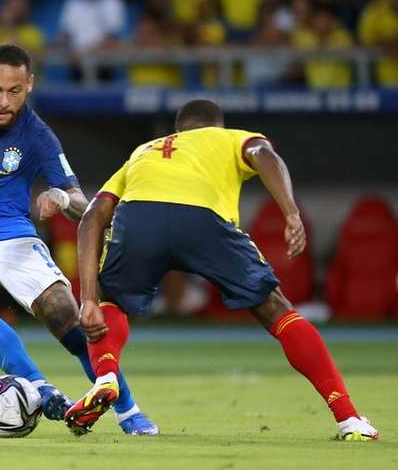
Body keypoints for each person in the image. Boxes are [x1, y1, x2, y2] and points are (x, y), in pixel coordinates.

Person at [65, 99, 378, 442]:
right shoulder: (229, 138)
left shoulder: (145, 150)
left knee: (111, 301)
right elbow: (264, 155)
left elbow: (93, 214)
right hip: (203, 220)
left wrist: (89, 299)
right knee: (276, 309)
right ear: (218, 126)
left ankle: (106, 376)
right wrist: (290, 211)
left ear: (178, 131)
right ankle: (348, 417)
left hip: (139, 217)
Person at [0, 43, 157, 435]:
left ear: (29, 85)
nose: (4, 101)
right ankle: (40, 387)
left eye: (14, 91)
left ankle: (128, 410)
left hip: (12, 235)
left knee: (66, 316)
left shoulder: (37, 136)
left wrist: (61, 197)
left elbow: (83, 205)